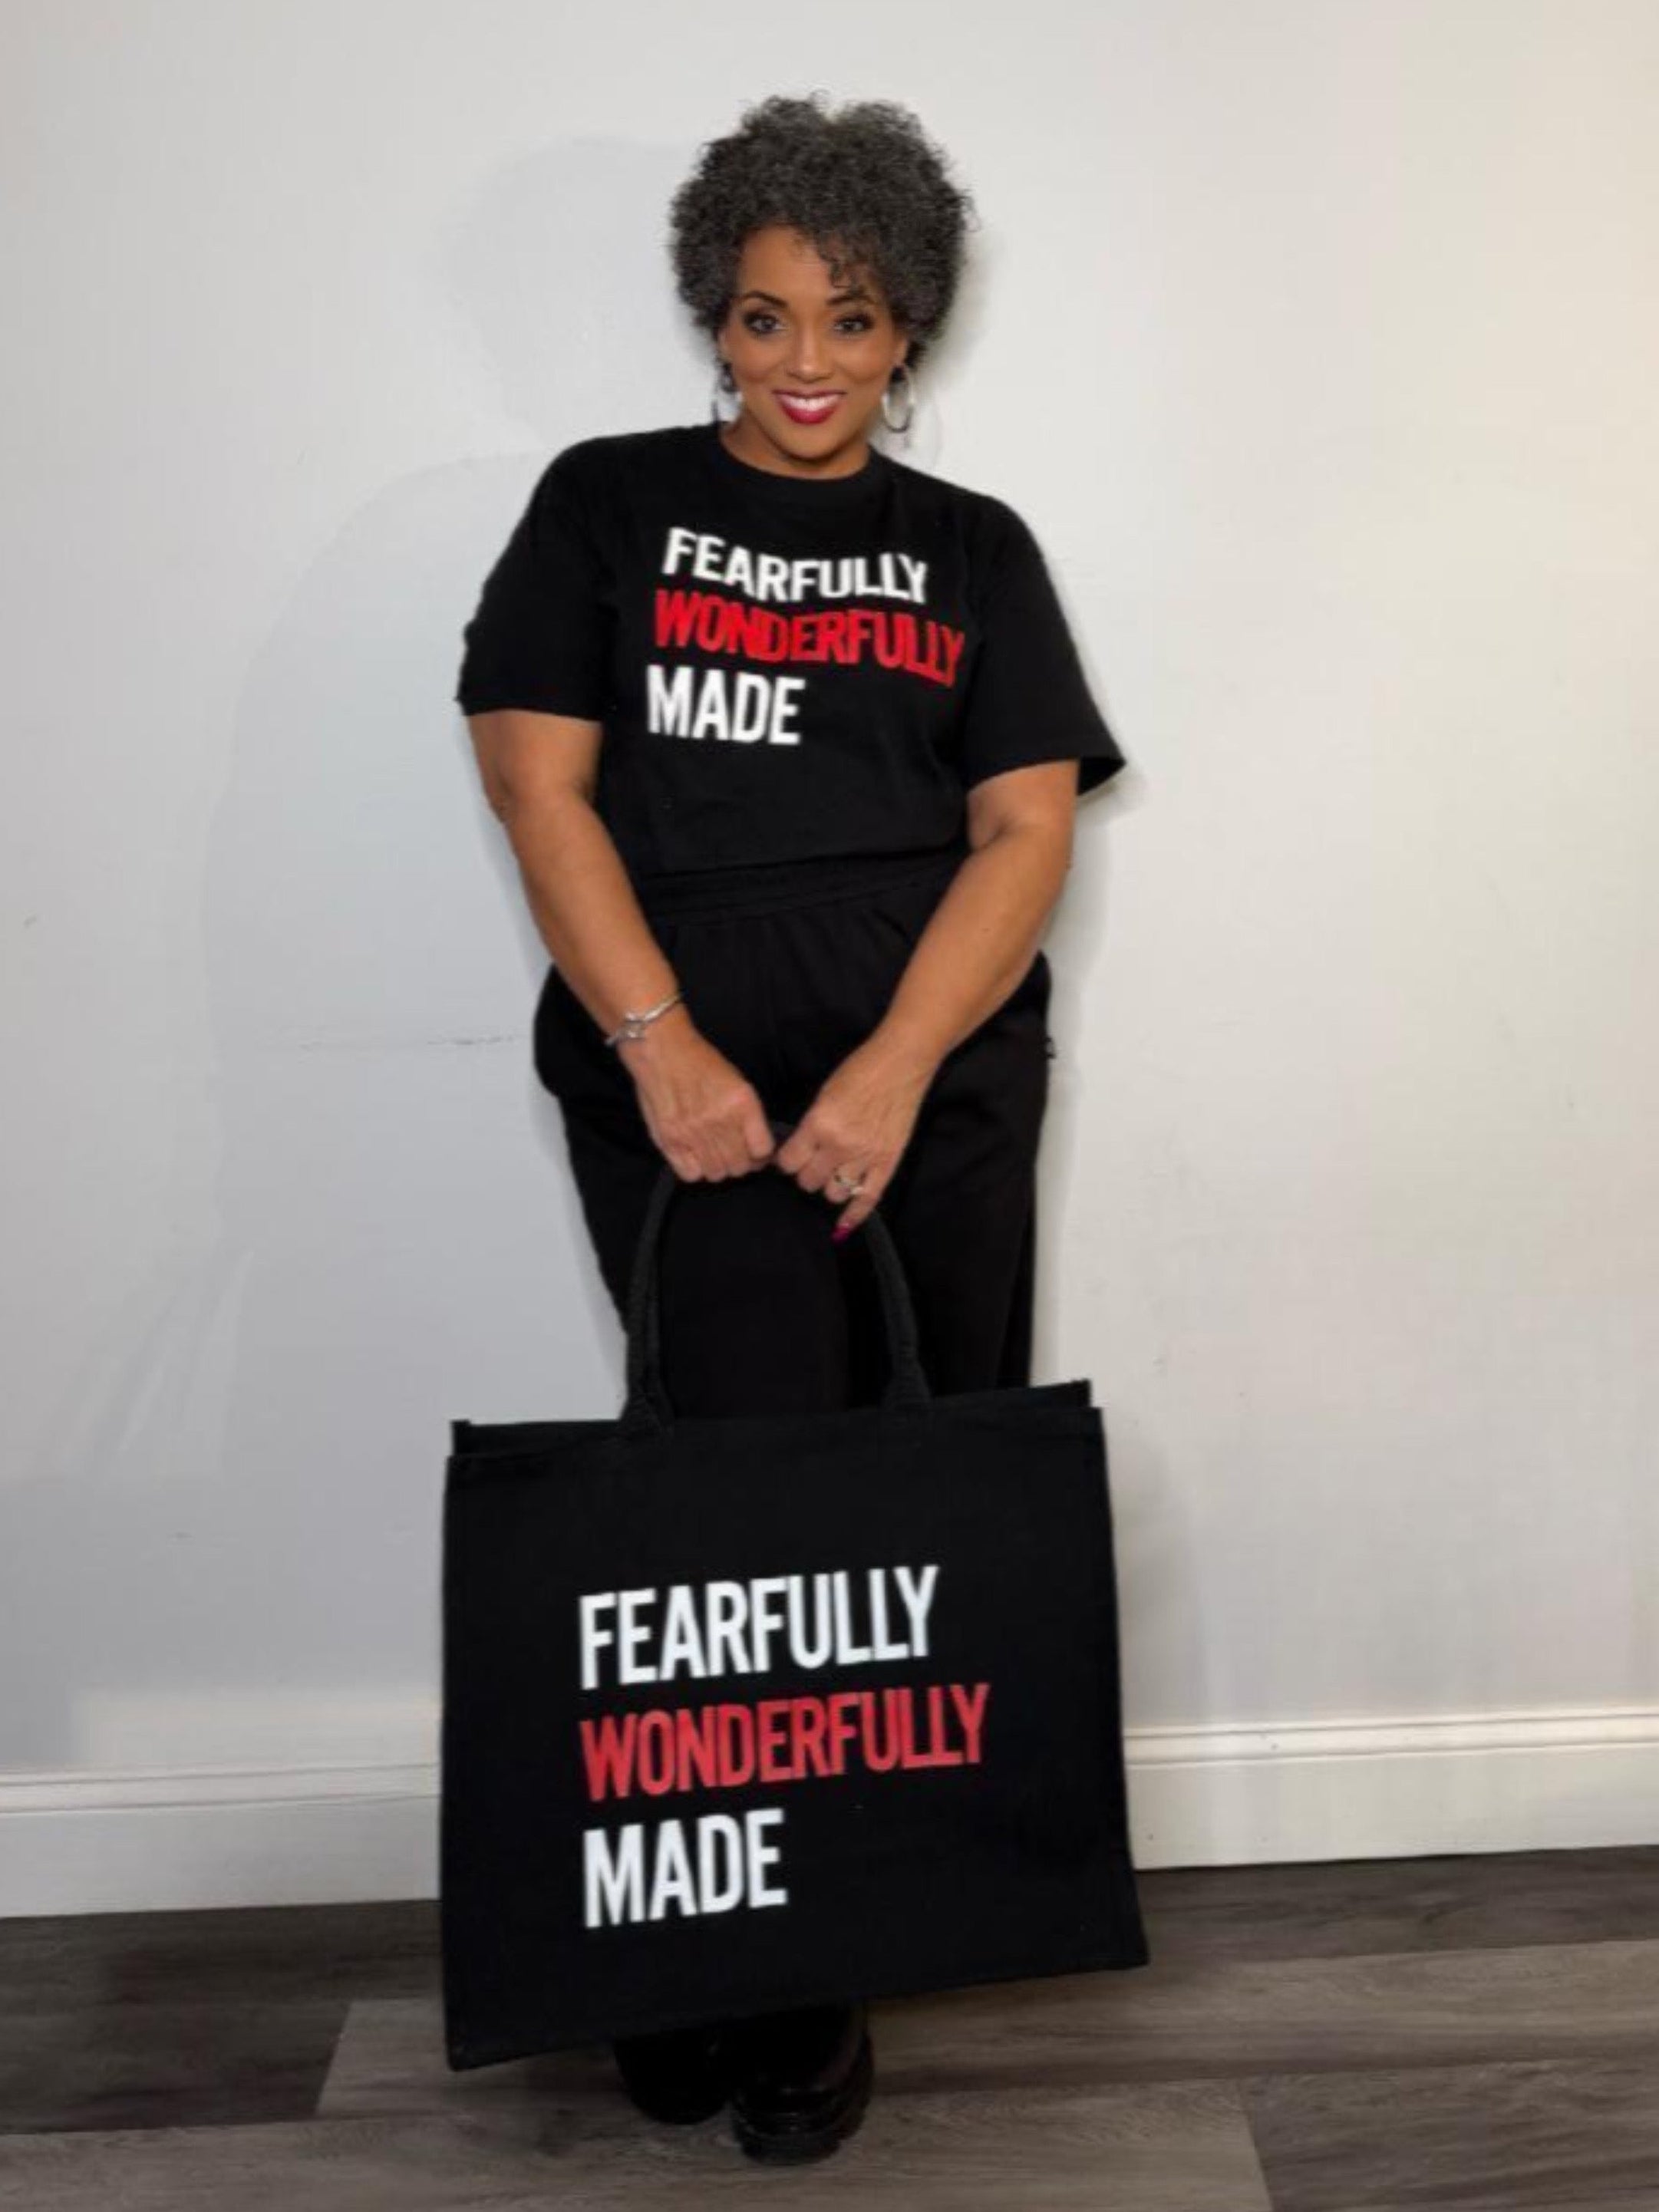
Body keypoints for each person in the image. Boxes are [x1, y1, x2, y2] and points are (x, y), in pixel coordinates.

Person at [454, 91, 1126, 2166]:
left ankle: (814, 1967)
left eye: (850, 318)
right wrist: (660, 1047)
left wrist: (896, 1069)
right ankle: (699, 1946)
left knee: (893, 1510)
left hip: (930, 1066)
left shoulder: (973, 549)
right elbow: (539, 787)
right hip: (691, 1070)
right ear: (713, 318)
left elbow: (1021, 833)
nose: (806, 362)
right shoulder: (604, 507)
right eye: (763, 318)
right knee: (729, 1498)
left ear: (908, 323)